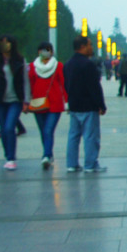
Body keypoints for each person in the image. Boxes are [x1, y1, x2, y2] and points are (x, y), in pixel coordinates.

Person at [0, 35, 30, 170]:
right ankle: (7, 155)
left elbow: (25, 81)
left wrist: (26, 100)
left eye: (7, 42)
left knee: (10, 127)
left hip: (15, 99)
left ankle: (11, 158)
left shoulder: (20, 61)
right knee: (4, 129)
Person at [65, 35, 107, 173]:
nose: (92, 47)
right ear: (82, 47)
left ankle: (72, 164)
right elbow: (94, 87)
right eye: (90, 45)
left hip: (74, 105)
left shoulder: (68, 64)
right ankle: (90, 164)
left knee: (73, 136)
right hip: (88, 106)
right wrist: (101, 104)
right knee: (90, 136)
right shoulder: (88, 65)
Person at [27, 41, 66, 169]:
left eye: (47, 50)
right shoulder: (33, 67)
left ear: (52, 52)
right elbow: (30, 84)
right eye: (42, 50)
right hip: (38, 104)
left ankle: (46, 155)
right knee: (43, 131)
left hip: (54, 104)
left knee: (48, 130)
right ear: (38, 52)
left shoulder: (58, 66)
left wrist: (67, 101)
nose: (45, 52)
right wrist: (27, 102)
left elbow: (64, 84)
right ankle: (48, 154)